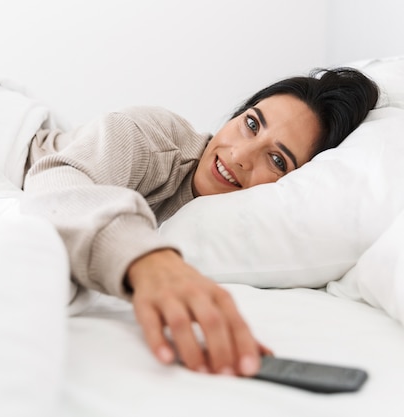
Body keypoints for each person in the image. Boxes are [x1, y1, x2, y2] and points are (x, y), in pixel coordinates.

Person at [23, 67, 379, 377]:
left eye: (276, 159)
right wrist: (146, 260)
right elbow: (56, 182)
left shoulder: (260, 238)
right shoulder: (151, 137)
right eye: (251, 124)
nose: (239, 156)